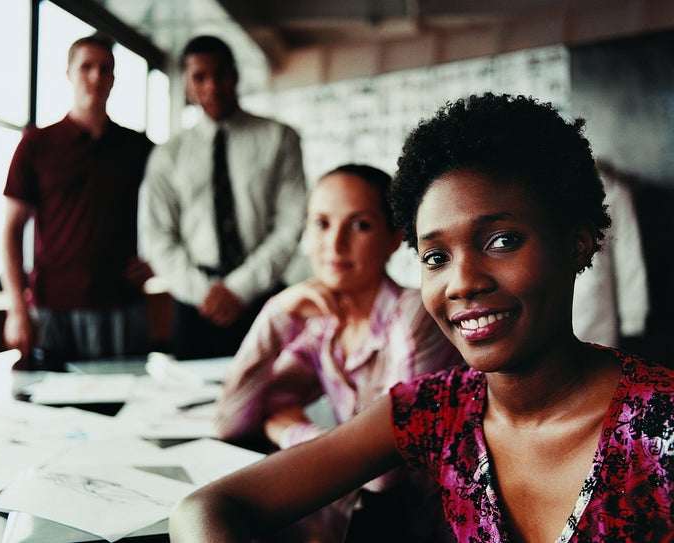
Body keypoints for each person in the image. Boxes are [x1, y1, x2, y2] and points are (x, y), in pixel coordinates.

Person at [168, 94, 674, 543]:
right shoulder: (435, 410)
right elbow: (205, 509)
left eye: (501, 241)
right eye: (435, 258)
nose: (462, 282)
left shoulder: (661, 425)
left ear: (576, 241)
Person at [214, 164, 462, 542]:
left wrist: (289, 430)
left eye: (359, 225)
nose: (335, 244)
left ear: (394, 236)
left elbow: (383, 473)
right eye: (321, 224)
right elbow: (230, 422)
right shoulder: (324, 325)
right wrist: (275, 314)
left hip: (428, 527)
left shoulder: (415, 315)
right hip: (356, 520)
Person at [139, 35, 306, 360]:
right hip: (194, 303)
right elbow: (158, 235)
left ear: (235, 75)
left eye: (220, 74)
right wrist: (205, 292)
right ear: (187, 84)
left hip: (262, 294)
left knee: (271, 399)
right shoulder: (168, 155)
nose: (212, 86)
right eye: (199, 77)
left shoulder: (279, 138)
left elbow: (291, 222)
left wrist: (239, 289)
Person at [1, 33, 154, 369]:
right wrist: (16, 308)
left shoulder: (139, 148)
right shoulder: (36, 145)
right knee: (51, 415)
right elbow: (11, 232)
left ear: (114, 79)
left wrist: (156, 260)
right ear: (69, 73)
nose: (96, 77)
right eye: (86, 67)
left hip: (121, 305)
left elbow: (174, 212)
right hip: (53, 309)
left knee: (126, 410)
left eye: (105, 69)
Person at [572, 159, 649, 347]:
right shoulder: (536, 186)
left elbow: (628, 254)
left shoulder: (613, 190)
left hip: (594, 297)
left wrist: (633, 316)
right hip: (559, 291)